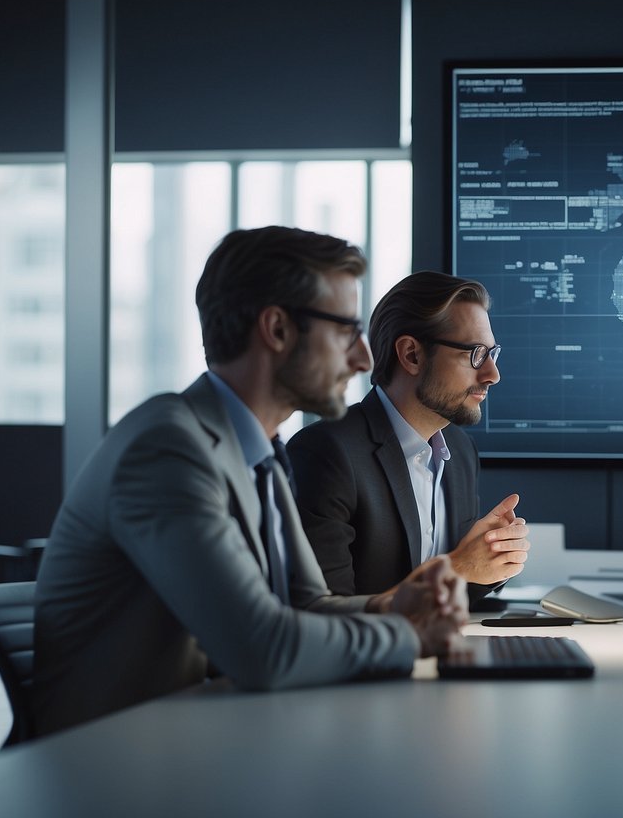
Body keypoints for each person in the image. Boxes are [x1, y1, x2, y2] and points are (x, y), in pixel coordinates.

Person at [32, 227, 468, 737]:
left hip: (204, 742)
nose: (364, 359)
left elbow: (308, 604)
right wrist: (409, 636)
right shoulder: (166, 450)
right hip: (110, 769)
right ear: (277, 329)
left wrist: (393, 604)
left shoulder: (259, 450)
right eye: (345, 330)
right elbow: (263, 647)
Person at [287, 272, 529, 603]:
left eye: (492, 354)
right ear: (411, 355)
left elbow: (452, 593)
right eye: (475, 354)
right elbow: (324, 614)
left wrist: (488, 564)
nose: (492, 375)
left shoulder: (459, 451)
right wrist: (457, 569)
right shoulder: (325, 454)